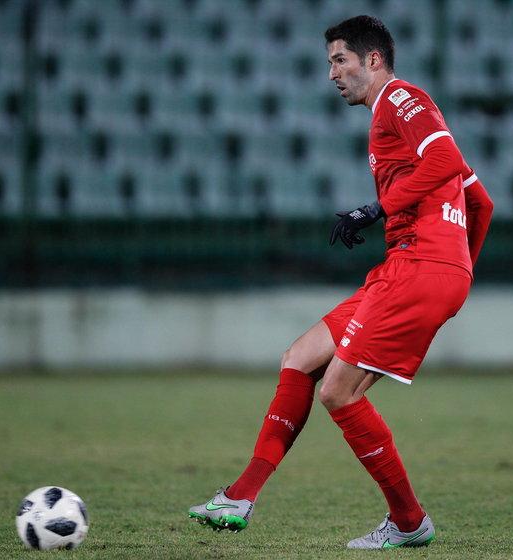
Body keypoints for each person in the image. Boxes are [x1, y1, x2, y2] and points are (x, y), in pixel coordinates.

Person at [189, 14, 493, 550]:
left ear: (372, 60)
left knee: (337, 391)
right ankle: (241, 496)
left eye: (340, 60)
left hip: (418, 265)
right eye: (330, 61)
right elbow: (479, 200)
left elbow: (444, 161)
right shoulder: (399, 117)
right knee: (301, 356)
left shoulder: (401, 99)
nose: (331, 73)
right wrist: (461, 271)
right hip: (418, 268)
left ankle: (408, 521)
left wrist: (378, 210)